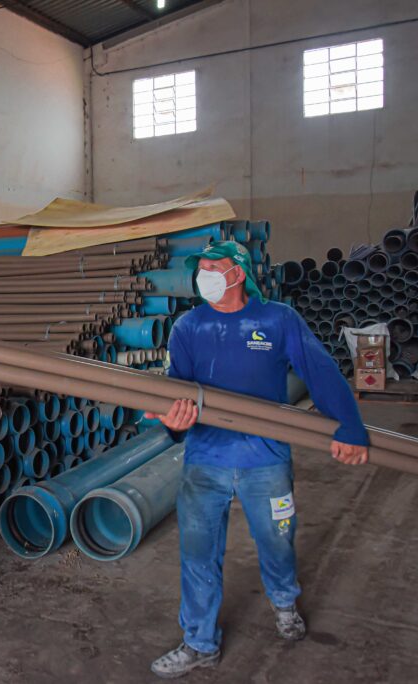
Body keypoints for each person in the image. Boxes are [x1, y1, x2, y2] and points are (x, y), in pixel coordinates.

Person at [147, 241, 370, 679]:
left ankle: (285, 603)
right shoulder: (189, 326)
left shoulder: (277, 319)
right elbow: (178, 397)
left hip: (264, 460)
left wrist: (350, 426)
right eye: (201, 268)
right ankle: (199, 643)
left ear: (238, 273)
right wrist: (173, 424)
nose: (204, 274)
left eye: (215, 267)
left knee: (277, 540)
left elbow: (320, 371)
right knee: (197, 555)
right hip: (205, 460)